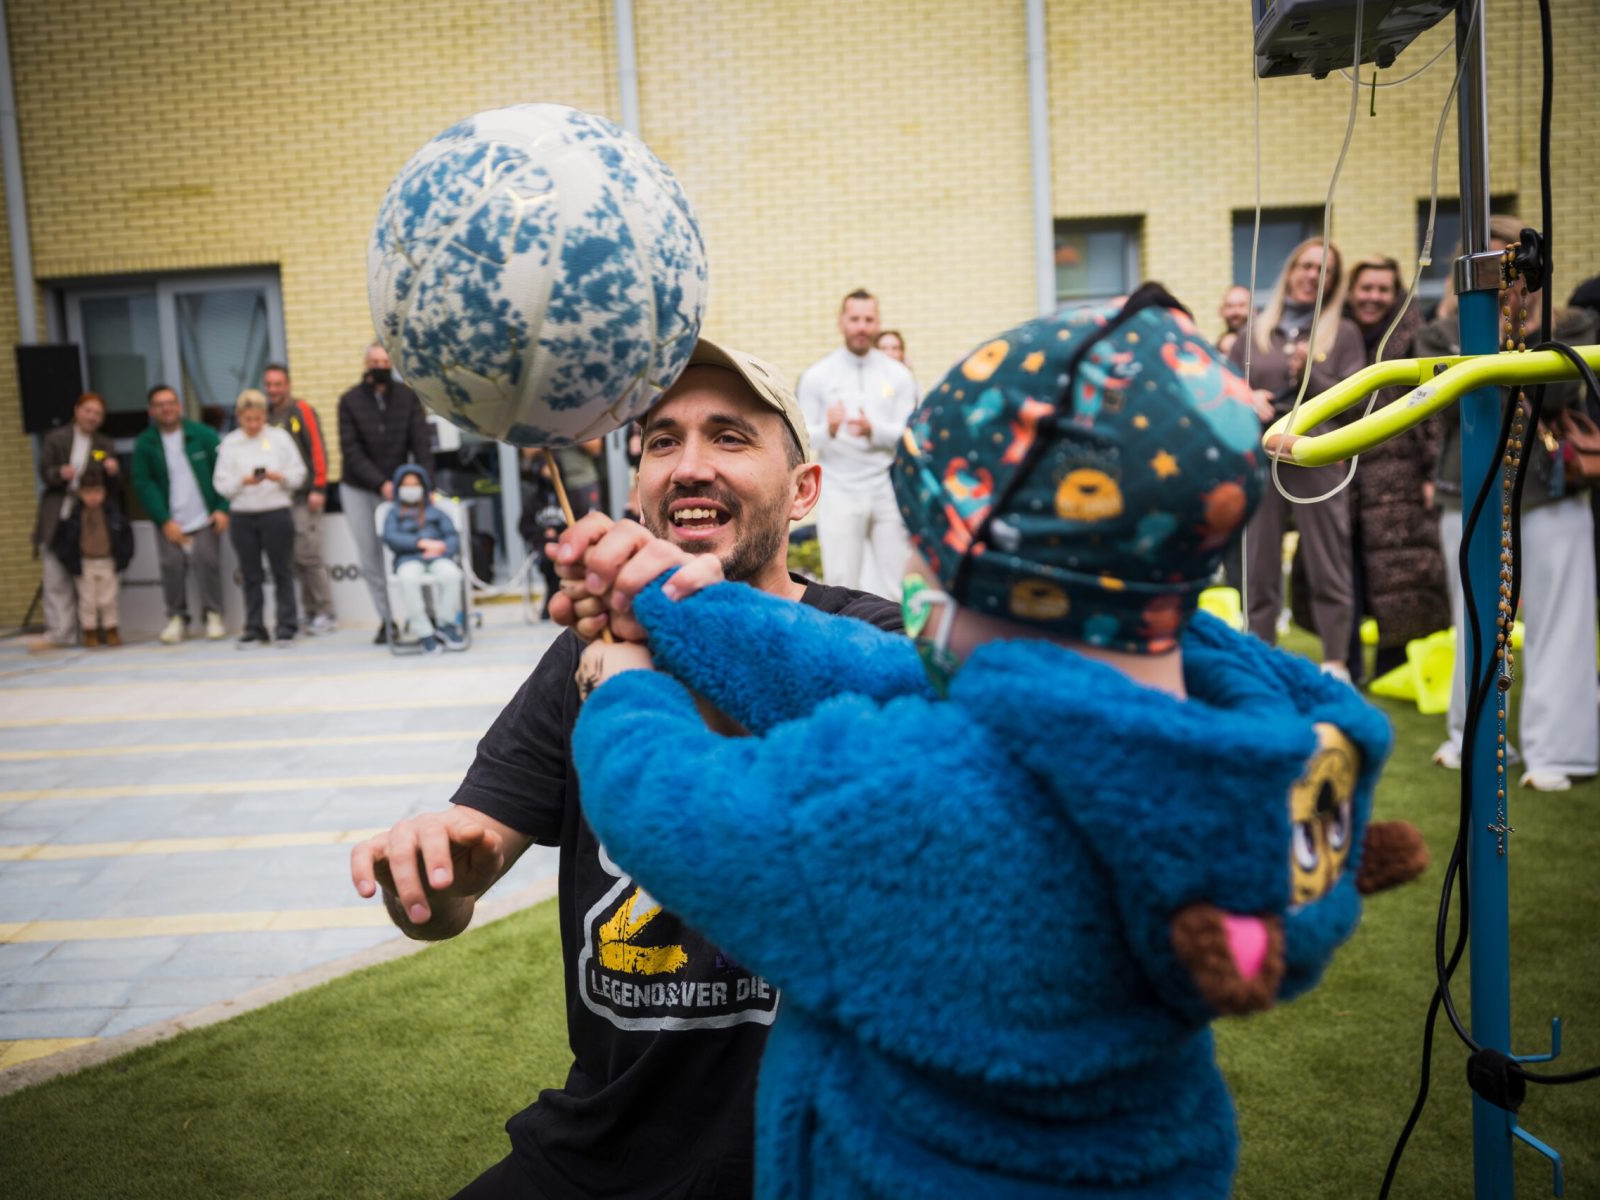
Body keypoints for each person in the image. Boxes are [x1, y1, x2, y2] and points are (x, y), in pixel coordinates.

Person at [567, 290, 1425, 1199]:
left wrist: (627, 688)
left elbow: (675, 809)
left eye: (925, 539)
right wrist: (682, 608)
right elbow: (881, 672)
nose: (910, 568)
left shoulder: (919, 803)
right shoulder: (1219, 716)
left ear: (986, 562)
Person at [349, 339, 902, 1200]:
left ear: (804, 492)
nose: (689, 465)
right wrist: (435, 875)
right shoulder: (584, 652)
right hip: (602, 1151)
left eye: (729, 436)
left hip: (819, 1160)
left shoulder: (874, 644)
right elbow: (454, 891)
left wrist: (681, 630)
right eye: (660, 440)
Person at [1416, 217, 1600, 789]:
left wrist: (1512, 342)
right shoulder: (1439, 332)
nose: (1506, 273)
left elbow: (1563, 389)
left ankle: (1560, 751)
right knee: (1474, 617)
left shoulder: (1573, 324)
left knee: (1562, 620)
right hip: (1468, 489)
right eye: (1493, 262)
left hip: (1551, 486)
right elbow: (1447, 402)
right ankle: (1471, 737)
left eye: (1513, 260)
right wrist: (1510, 347)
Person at [1241, 237, 1367, 680]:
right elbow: (1223, 385)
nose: (1314, 275)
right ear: (1291, 270)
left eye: (1325, 270)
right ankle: (1259, 662)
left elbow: (1357, 402)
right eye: (1307, 266)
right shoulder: (1255, 331)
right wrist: (1246, 396)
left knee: (1328, 561)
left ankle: (1335, 664)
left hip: (1317, 455)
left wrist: (1311, 372)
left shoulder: (1344, 333)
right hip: (1262, 454)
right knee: (1258, 564)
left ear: (1334, 282)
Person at [1322, 256, 1445, 681]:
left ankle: (1394, 669)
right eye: (1366, 288)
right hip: (1347, 471)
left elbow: (1432, 408)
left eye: (1382, 289)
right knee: (1346, 569)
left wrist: (1430, 472)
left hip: (1399, 476)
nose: (1372, 297)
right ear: (1352, 291)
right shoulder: (1335, 334)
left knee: (1401, 574)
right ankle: (1349, 664)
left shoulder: (1414, 338)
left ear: (1396, 295)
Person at [797, 288, 918, 600]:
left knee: (897, 580)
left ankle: (901, 631)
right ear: (841, 322)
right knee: (841, 579)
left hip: (886, 487)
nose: (861, 327)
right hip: (839, 488)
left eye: (868, 319)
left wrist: (874, 429)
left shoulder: (899, 375)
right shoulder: (818, 376)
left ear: (878, 323)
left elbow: (910, 433)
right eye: (855, 319)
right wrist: (829, 429)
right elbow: (802, 436)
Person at [338, 343, 434, 644]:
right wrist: (381, 483)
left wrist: (423, 484)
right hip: (359, 487)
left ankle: (427, 616)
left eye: (385, 361)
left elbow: (421, 444)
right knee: (370, 556)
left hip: (403, 486)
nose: (380, 366)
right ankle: (387, 620)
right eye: (375, 361)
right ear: (366, 364)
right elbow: (351, 450)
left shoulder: (407, 397)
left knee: (416, 548)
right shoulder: (349, 401)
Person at [131, 384, 230, 644]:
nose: (166, 408)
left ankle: (214, 615)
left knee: (207, 561)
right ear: (151, 410)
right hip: (170, 518)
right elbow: (143, 484)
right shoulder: (145, 443)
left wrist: (222, 508)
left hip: (204, 517)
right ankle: (177, 618)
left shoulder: (203, 435)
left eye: (170, 403)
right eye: (160, 404)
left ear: (180, 406)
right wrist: (163, 520)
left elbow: (224, 471)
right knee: (171, 565)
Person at [214, 388, 306, 647]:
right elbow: (220, 484)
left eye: (258, 418)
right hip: (243, 515)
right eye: (248, 419)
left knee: (282, 571)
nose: (253, 424)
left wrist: (280, 477)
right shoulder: (230, 443)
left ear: (265, 415)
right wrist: (242, 481)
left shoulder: (280, 438)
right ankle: (255, 628)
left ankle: (286, 626)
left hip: (276, 511)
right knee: (250, 574)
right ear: (239, 417)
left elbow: (299, 474)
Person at [31, 392, 121, 650]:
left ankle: (95, 629)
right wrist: (60, 473)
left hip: (89, 515)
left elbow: (105, 467)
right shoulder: (56, 439)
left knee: (91, 579)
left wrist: (111, 469)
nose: (92, 417)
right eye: (88, 411)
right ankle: (60, 633)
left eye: (98, 413)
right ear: (77, 410)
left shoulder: (101, 444)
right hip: (60, 512)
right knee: (56, 576)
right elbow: (44, 471)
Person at [263, 363, 336, 635]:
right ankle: (310, 610)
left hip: (305, 495)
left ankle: (326, 611)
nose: (273, 389)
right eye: (269, 384)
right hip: (280, 498)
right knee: (294, 558)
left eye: (278, 384)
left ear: (288, 385)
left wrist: (319, 487)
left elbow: (317, 447)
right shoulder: (266, 415)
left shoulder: (301, 410)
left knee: (310, 555)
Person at [380, 462, 465, 654]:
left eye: (415, 484)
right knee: (408, 579)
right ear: (398, 487)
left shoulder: (437, 512)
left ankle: (446, 625)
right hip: (407, 559)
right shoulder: (393, 514)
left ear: (424, 486)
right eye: (406, 485)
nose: (411, 489)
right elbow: (391, 538)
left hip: (438, 557)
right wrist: (419, 543)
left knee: (451, 574)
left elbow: (452, 537)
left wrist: (442, 548)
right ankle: (424, 632)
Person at [51, 461, 133, 646]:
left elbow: (125, 536)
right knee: (87, 601)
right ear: (80, 493)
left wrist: (123, 557)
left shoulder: (112, 513)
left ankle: (111, 630)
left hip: (108, 561)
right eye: (88, 492)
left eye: (97, 491)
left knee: (109, 599)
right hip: (85, 563)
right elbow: (64, 541)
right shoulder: (74, 516)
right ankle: (90, 632)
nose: (93, 497)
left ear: (104, 492)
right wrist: (71, 561)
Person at [1217, 283, 1252, 357]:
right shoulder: (1216, 351)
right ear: (1221, 311)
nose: (1235, 311)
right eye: (1229, 306)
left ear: (1253, 310)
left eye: (1241, 305)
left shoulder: (1264, 345)